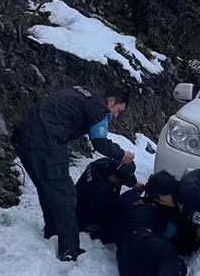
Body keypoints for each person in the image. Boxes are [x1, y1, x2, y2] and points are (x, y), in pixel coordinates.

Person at [12, 86, 133, 261]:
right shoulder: (99, 108)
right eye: (118, 111)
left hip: (23, 135)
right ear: (112, 101)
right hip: (46, 141)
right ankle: (68, 248)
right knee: (65, 193)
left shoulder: (85, 94)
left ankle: (53, 231)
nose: (116, 116)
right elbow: (100, 142)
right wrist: (122, 155)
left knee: (47, 187)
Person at [99, 189, 189, 276]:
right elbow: (174, 236)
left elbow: (106, 231)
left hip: (124, 258)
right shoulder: (158, 210)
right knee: (175, 262)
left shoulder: (126, 201)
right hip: (147, 241)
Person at [75, 157, 137, 245]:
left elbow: (124, 173)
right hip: (83, 214)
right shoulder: (103, 190)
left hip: (79, 198)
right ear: (113, 176)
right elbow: (112, 210)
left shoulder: (106, 163)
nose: (120, 183)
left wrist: (134, 184)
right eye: (120, 181)